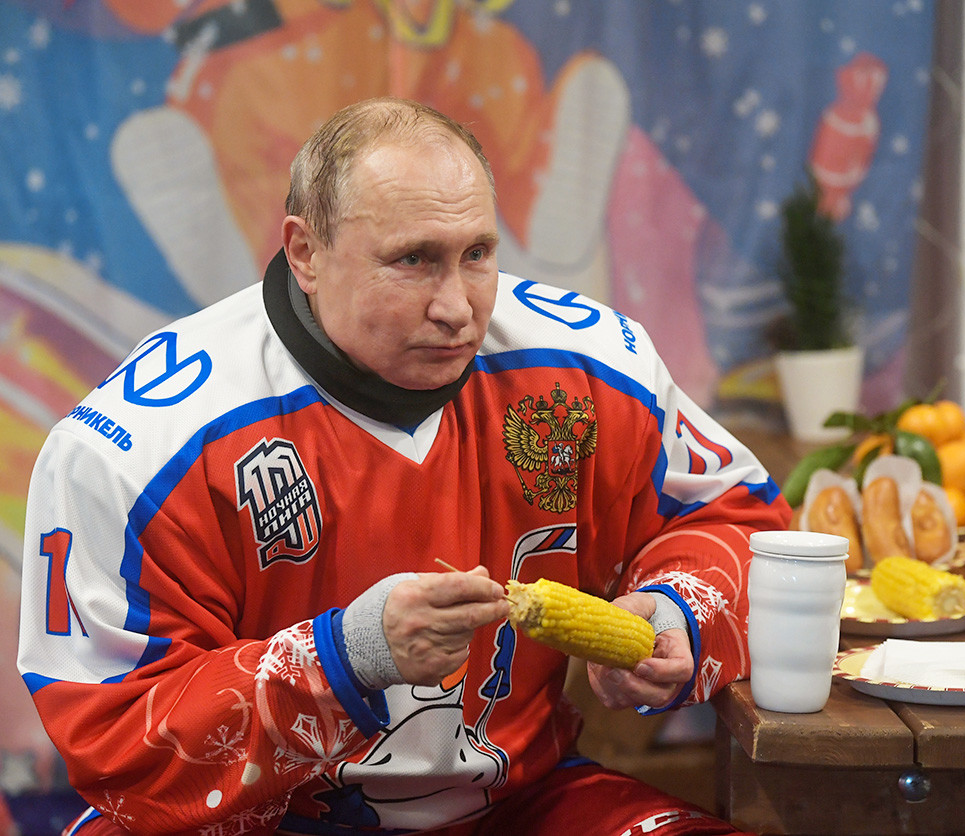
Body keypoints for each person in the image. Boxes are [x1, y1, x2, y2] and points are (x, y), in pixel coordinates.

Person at [17, 97, 792, 835]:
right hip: (251, 820)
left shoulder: (591, 368)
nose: (457, 306)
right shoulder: (136, 446)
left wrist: (680, 612)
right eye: (414, 260)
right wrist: (343, 657)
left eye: (477, 255)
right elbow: (116, 737)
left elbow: (739, 519)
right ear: (305, 253)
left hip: (515, 805)